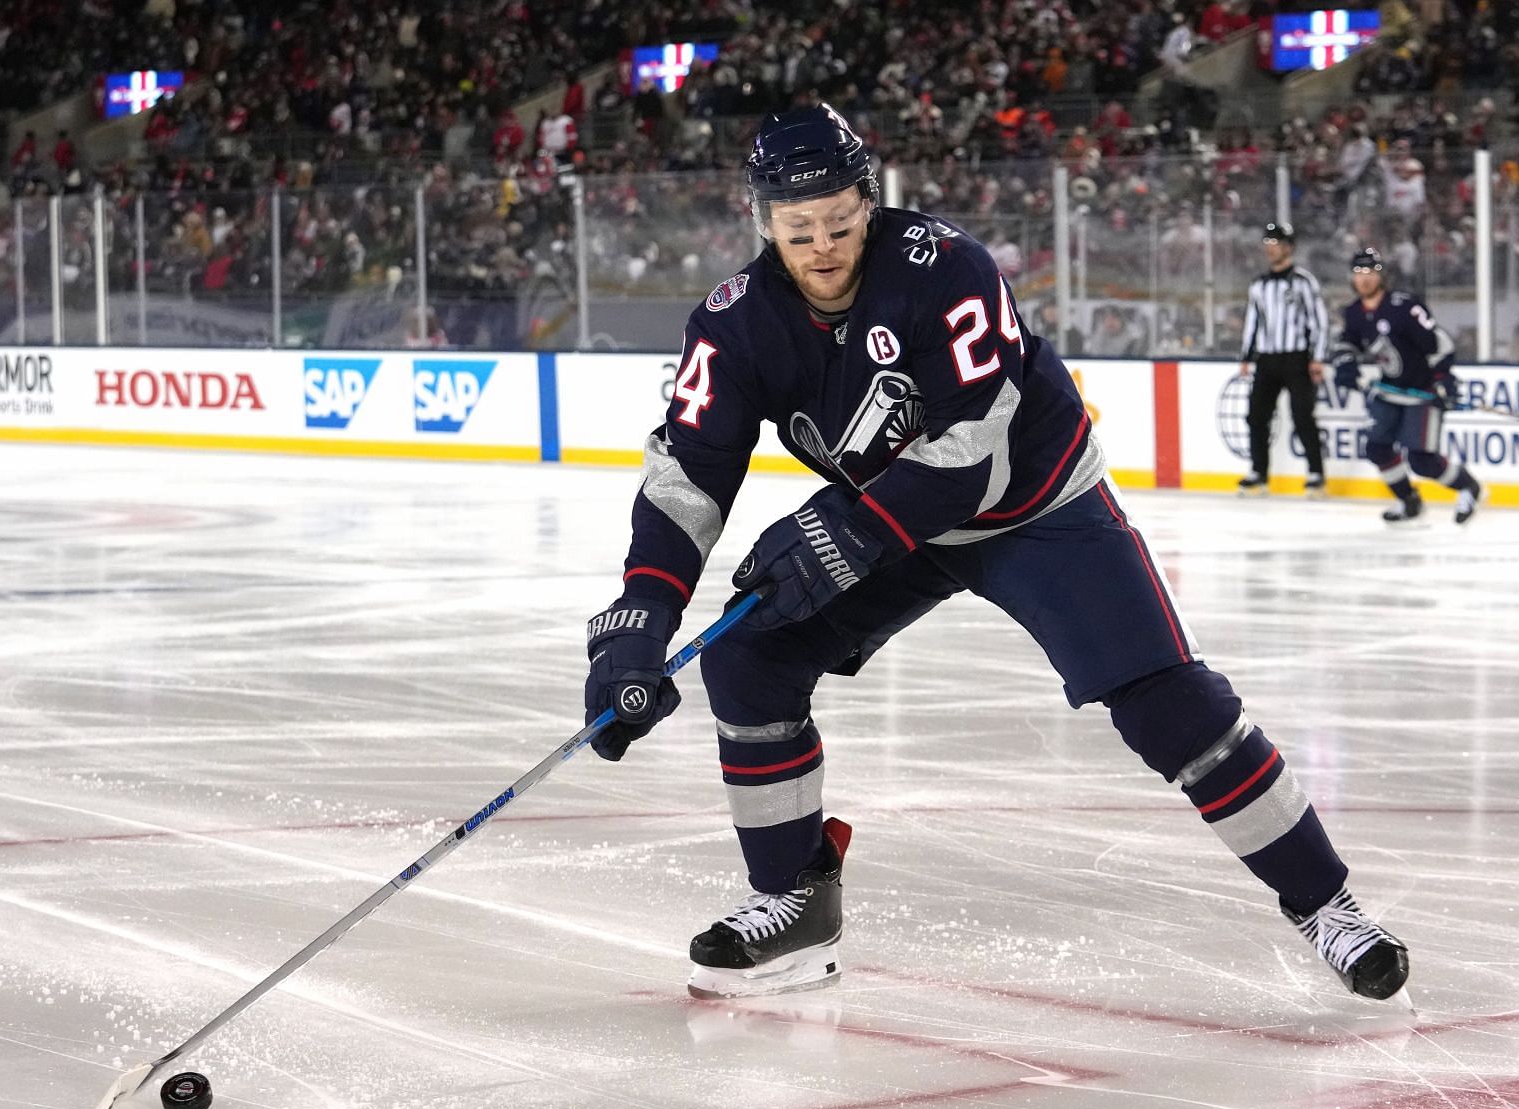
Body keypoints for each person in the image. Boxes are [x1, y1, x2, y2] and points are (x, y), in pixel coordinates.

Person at [580, 105, 1409, 1004]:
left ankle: (1328, 905)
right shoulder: (733, 324)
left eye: (839, 222)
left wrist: (846, 534)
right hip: (895, 515)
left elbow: (974, 451)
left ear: (870, 201)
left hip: (1035, 506)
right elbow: (687, 477)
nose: (821, 246)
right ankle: (793, 903)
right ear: (763, 223)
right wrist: (641, 617)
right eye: (797, 229)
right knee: (748, 659)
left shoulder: (947, 267)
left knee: (1162, 699)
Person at [1332, 247, 1485, 524]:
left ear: (1382, 276)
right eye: (1358, 272)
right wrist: (1345, 365)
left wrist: (1442, 380)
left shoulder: (1404, 307)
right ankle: (1409, 501)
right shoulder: (1354, 312)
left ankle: (1468, 487)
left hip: (1421, 393)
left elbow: (1440, 345)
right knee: (1377, 449)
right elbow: (1348, 343)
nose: (1364, 278)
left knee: (1422, 460)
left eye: (1370, 272)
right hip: (1389, 392)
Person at [1237, 222, 1330, 497]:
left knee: (1303, 415)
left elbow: (1319, 321)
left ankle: (1316, 473)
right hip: (1267, 358)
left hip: (1296, 358)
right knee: (1256, 416)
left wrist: (1318, 357)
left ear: (1288, 248)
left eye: (1275, 243)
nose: (1270, 248)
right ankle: (1258, 472)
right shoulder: (1259, 284)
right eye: (1267, 243)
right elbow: (1252, 322)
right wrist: (1246, 356)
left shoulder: (1303, 281)